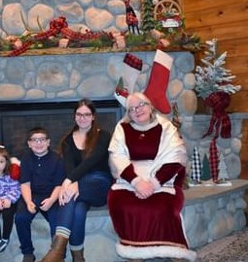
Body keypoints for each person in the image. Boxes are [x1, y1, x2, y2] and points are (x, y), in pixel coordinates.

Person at [107, 92, 197, 261]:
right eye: (132, 108)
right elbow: (116, 157)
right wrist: (136, 182)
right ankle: (135, 254)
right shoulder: (122, 127)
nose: (137, 110)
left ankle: (174, 252)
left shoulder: (166, 127)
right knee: (124, 204)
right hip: (129, 180)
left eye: (141, 105)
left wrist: (153, 184)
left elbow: (176, 156)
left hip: (162, 180)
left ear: (150, 106)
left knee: (163, 207)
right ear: (128, 113)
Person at [40, 98, 113, 262]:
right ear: (74, 116)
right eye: (79, 114)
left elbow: (92, 161)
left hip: (99, 185)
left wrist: (70, 182)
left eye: (87, 114)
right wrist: (72, 182)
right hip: (77, 188)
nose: (83, 118)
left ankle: (56, 251)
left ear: (93, 116)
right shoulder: (67, 140)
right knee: (78, 211)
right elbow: (69, 167)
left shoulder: (103, 135)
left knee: (69, 193)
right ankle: (77, 257)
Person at [15, 127, 66, 262]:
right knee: (21, 218)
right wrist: (28, 201)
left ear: (48, 142)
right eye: (35, 140)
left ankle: (58, 254)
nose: (39, 143)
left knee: (57, 219)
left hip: (52, 195)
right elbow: (25, 183)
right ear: (29, 144)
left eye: (42, 140)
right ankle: (28, 252)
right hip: (32, 195)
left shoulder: (57, 158)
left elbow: (59, 185)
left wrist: (51, 200)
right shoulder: (26, 158)